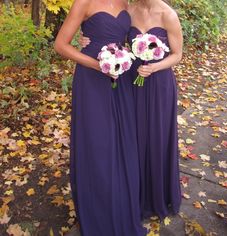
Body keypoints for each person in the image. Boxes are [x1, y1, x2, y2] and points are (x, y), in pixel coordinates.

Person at [79, 0, 183, 223]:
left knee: (155, 138)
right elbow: (114, 37)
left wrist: (154, 67)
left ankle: (155, 195)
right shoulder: (130, 9)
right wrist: (86, 39)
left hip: (159, 83)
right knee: (134, 138)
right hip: (132, 83)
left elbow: (177, 54)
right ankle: (134, 194)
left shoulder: (168, 14)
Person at [54, 0, 146, 235]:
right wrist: (97, 64)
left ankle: (122, 201)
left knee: (122, 138)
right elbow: (61, 45)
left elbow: (128, 39)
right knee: (97, 140)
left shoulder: (126, 2)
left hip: (121, 78)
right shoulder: (84, 2)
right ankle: (98, 208)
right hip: (92, 78)